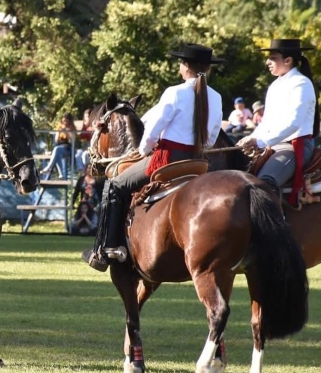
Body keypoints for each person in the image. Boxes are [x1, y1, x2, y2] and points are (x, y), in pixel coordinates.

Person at [82, 43, 225, 271]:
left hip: (167, 159)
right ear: (207, 69)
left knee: (115, 185)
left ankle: (107, 248)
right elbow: (210, 138)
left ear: (185, 66)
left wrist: (145, 149)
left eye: (180, 63)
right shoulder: (216, 97)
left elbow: (155, 127)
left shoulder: (175, 92)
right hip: (197, 162)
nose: (179, 67)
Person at [236, 39, 318, 208]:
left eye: (272, 58)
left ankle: (275, 231)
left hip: (295, 146)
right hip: (273, 145)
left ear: (287, 61)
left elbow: (294, 123)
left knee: (264, 183)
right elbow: (267, 122)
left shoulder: (301, 84)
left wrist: (260, 142)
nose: (267, 62)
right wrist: (250, 139)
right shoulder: (275, 85)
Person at [40, 113, 75, 179]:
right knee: (57, 153)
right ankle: (61, 175)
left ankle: (48, 168)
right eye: (63, 121)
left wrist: (66, 132)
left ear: (69, 121)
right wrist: (58, 132)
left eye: (66, 121)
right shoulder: (60, 127)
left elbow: (72, 140)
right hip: (59, 147)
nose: (64, 123)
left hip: (68, 148)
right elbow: (56, 140)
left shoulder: (72, 128)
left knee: (56, 150)